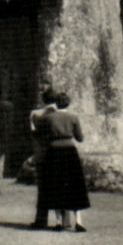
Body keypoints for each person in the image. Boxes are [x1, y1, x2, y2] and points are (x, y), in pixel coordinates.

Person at [33, 91, 90, 231]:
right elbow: (80, 138)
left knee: (56, 185)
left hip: (54, 152)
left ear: (56, 103)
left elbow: (41, 135)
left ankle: (58, 222)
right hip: (70, 151)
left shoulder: (49, 118)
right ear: (68, 103)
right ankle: (79, 222)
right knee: (75, 186)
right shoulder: (73, 117)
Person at [27, 87, 56, 229]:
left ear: (43, 100)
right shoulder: (62, 113)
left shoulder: (35, 114)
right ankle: (64, 221)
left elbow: (33, 133)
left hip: (42, 154)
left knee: (43, 189)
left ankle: (41, 220)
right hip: (58, 153)